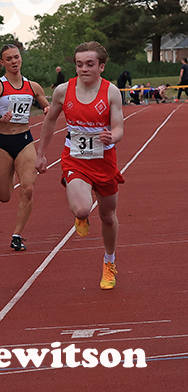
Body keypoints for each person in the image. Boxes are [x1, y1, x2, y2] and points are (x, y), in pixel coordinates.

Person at [35, 41, 124, 290]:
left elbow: (118, 127)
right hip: (75, 158)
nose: (83, 68)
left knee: (108, 216)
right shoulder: (63, 91)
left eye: (89, 64)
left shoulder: (111, 92)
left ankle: (109, 261)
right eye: (79, 64)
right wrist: (41, 153)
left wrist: (112, 136)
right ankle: (81, 214)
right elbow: (50, 120)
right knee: (83, 209)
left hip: (104, 161)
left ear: (101, 66)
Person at [0, 44, 50, 252]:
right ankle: (8, 172)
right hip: (2, 143)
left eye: (16, 57)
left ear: (21, 59)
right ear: (2, 63)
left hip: (25, 141)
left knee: (28, 188)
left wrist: (47, 108)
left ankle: (17, 235)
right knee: (4, 196)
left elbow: (45, 104)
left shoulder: (32, 86)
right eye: (8, 59)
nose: (13, 62)